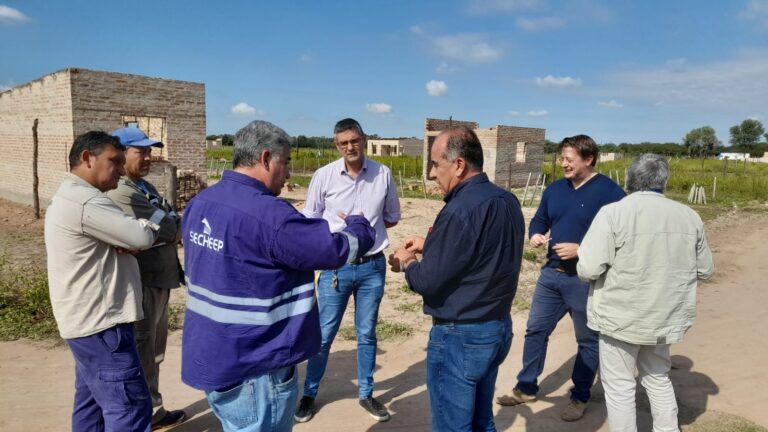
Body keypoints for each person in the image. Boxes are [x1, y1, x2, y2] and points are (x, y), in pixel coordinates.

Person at [180, 120, 376, 432]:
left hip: (214, 357)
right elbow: (332, 251)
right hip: (257, 370)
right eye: (285, 164)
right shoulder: (271, 216)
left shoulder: (201, 204)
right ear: (265, 157)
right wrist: (359, 226)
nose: (287, 175)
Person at [388, 126, 525, 431]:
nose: (432, 174)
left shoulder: (460, 210)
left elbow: (427, 281)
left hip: (461, 336)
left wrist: (408, 263)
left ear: (459, 165)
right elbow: (483, 254)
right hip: (496, 327)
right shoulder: (506, 200)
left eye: (436, 165)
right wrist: (432, 245)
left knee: (453, 426)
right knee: (481, 420)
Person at [577, 153, 714, 431]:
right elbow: (706, 269)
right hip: (664, 317)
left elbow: (588, 268)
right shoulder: (689, 216)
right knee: (658, 377)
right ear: (664, 181)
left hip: (620, 318)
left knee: (619, 387)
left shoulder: (614, 213)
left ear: (629, 179)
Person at [496, 134, 625, 421]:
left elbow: (624, 235)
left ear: (588, 159)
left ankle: (579, 397)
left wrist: (583, 249)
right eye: (561, 158)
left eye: (569, 159)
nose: (562, 163)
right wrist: (536, 234)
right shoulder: (555, 189)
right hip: (550, 276)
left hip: (585, 280)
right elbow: (541, 218)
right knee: (535, 330)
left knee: (588, 341)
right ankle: (526, 387)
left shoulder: (610, 193)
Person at [45, 131, 159, 431]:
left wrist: (133, 235)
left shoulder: (71, 196)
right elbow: (141, 236)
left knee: (91, 405)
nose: (122, 170)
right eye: (115, 161)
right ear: (87, 158)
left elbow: (132, 238)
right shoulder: (86, 200)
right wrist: (145, 226)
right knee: (130, 408)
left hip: (85, 324)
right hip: (103, 326)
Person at [295, 118, 401, 423]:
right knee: (324, 334)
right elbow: (310, 218)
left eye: (354, 141)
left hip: (372, 267)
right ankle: (309, 395)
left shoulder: (383, 174)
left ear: (364, 140)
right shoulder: (324, 176)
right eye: (343, 143)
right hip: (335, 269)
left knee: (367, 333)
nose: (350, 147)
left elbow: (392, 216)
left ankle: (366, 394)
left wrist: (368, 228)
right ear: (336, 145)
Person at [107, 127, 187, 429]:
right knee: (142, 353)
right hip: (141, 283)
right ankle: (140, 418)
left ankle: (154, 411)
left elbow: (171, 221)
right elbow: (169, 229)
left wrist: (167, 224)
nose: (148, 157)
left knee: (153, 353)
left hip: (159, 279)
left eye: (149, 151)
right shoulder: (122, 192)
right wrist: (168, 225)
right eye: (141, 151)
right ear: (121, 153)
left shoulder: (143, 188)